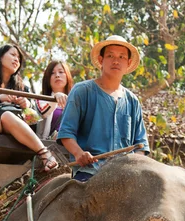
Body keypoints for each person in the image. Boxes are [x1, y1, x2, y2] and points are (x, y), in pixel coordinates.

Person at [57, 35, 150, 181]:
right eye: (110, 55)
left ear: (128, 62)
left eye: (121, 57)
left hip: (124, 176)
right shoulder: (82, 91)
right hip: (89, 172)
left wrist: (132, 167)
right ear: (101, 60)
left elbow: (141, 146)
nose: (116, 61)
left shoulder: (133, 101)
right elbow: (66, 132)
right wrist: (79, 153)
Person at [0, 44, 58, 179]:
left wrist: (26, 105)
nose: (17, 60)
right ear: (0, 57)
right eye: (13, 55)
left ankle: (45, 154)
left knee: (7, 116)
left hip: (13, 126)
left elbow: (34, 119)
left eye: (19, 58)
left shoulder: (23, 89)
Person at [37, 60, 73, 139]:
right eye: (52, 73)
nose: (57, 75)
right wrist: (55, 98)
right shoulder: (41, 100)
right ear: (47, 79)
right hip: (49, 145)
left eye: (61, 72)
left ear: (67, 75)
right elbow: (43, 113)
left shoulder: (76, 101)